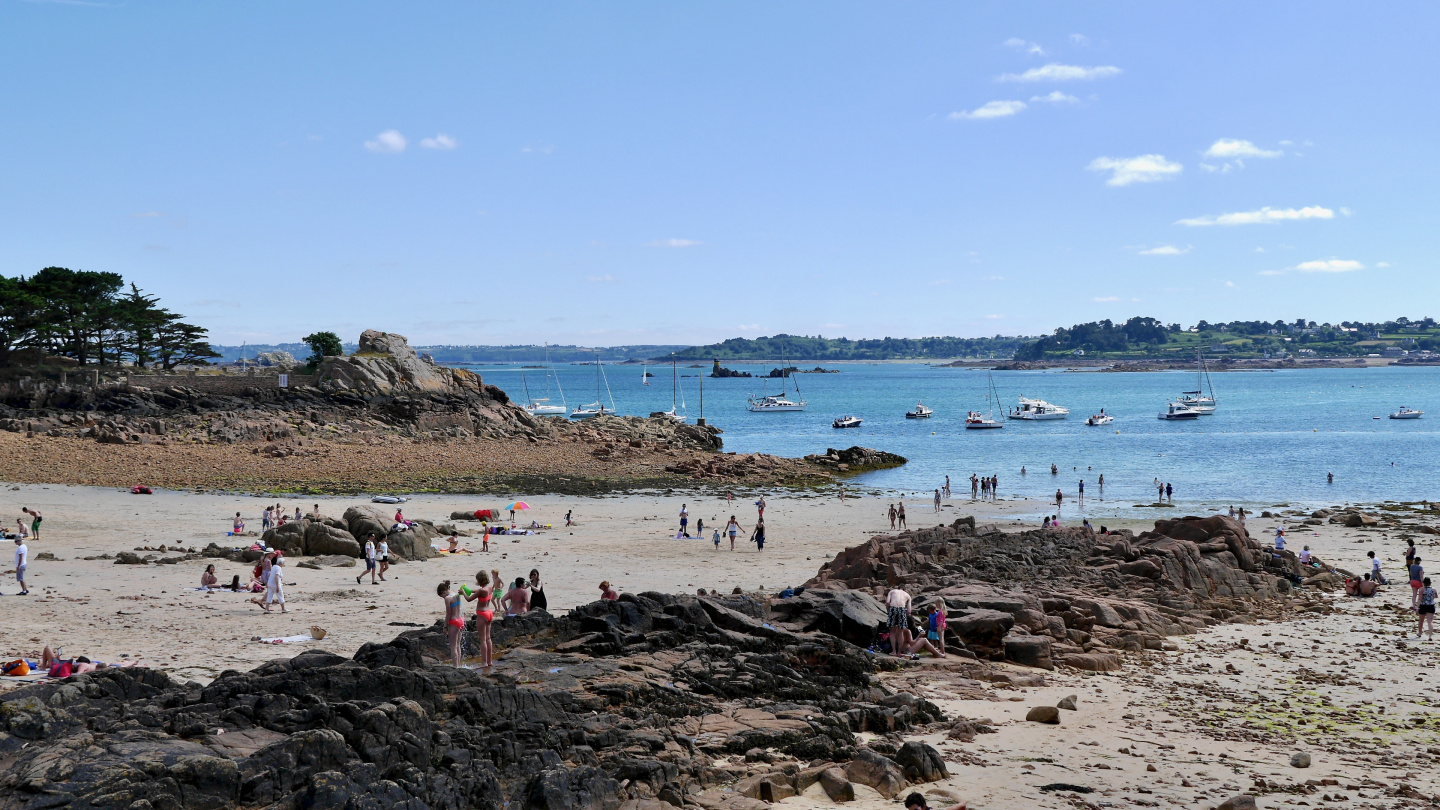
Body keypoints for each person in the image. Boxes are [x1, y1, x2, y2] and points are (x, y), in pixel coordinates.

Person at [464, 571, 496, 669]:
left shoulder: (481, 591)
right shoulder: (490, 588)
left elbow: (469, 599)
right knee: (488, 638)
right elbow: (478, 591)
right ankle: (489, 661)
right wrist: (470, 590)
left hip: (482, 614)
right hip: (489, 613)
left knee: (482, 640)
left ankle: (484, 662)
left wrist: (463, 592)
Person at [440, 581, 464, 667]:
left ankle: (455, 667)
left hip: (453, 621)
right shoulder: (456, 594)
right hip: (461, 620)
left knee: (453, 646)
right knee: (458, 645)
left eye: (442, 596)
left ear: (443, 592)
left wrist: (445, 626)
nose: (443, 598)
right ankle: (459, 664)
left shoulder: (447, 598)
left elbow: (448, 614)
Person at [885, 586, 913, 656]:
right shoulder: (908, 595)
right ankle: (899, 652)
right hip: (902, 610)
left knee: (892, 631)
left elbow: (888, 602)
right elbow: (909, 611)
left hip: (893, 609)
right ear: (905, 589)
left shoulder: (892, 591)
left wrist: (888, 611)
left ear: (898, 588)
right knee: (900, 632)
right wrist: (904, 615)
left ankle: (894, 651)